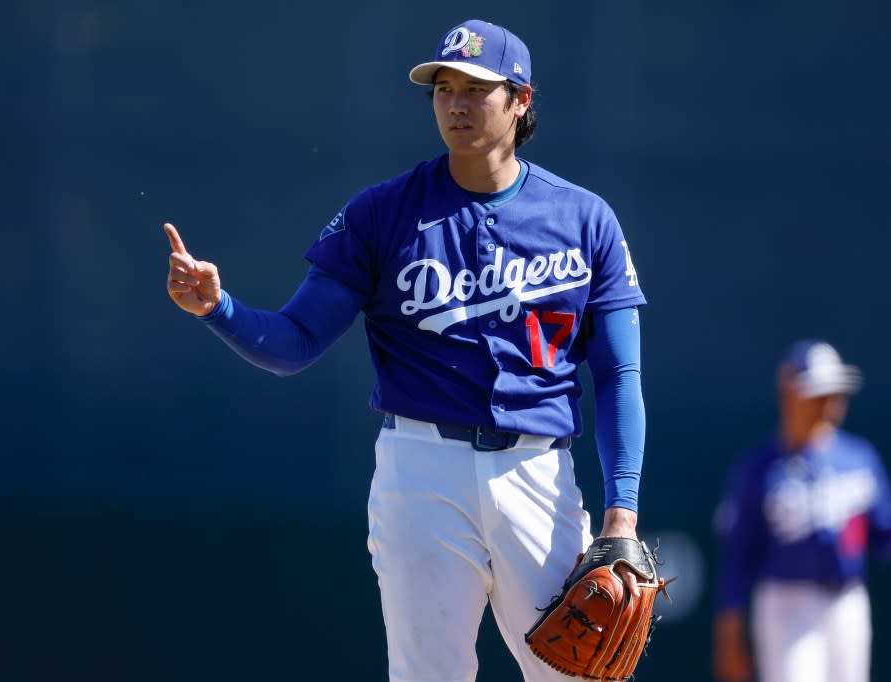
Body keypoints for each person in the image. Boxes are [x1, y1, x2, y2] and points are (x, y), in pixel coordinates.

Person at [164, 19, 648, 682]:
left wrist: (621, 510)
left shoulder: (584, 218)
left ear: (521, 99)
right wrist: (218, 308)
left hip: (537, 471)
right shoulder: (383, 213)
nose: (455, 102)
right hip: (422, 468)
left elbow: (619, 373)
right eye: (443, 86)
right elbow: (295, 342)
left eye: (477, 88)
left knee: (574, 675)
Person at [712, 339, 891, 682]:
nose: (829, 402)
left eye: (836, 392)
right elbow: (737, 559)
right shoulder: (758, 469)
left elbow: (884, 541)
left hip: (847, 602)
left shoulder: (859, 458)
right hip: (786, 602)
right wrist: (729, 636)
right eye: (818, 392)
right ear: (788, 392)